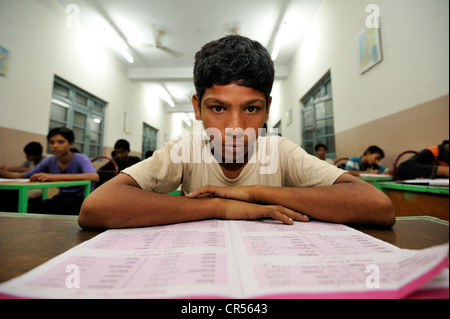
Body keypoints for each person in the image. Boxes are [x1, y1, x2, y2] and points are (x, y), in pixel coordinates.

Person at [79, 35, 394, 229]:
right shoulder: (185, 150)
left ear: (267, 109)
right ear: (197, 107)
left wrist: (254, 193)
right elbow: (97, 207)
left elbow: (377, 207)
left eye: (251, 108)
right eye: (218, 108)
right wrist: (220, 206)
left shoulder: (280, 152)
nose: (235, 128)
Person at [0, 127, 99, 215]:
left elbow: (94, 177)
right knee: (30, 210)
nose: (55, 146)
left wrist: (54, 177)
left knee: (59, 209)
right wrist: (3, 173)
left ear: (71, 144)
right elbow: (24, 176)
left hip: (82, 199)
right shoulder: (51, 160)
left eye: (60, 142)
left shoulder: (80, 158)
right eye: (52, 142)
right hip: (62, 197)